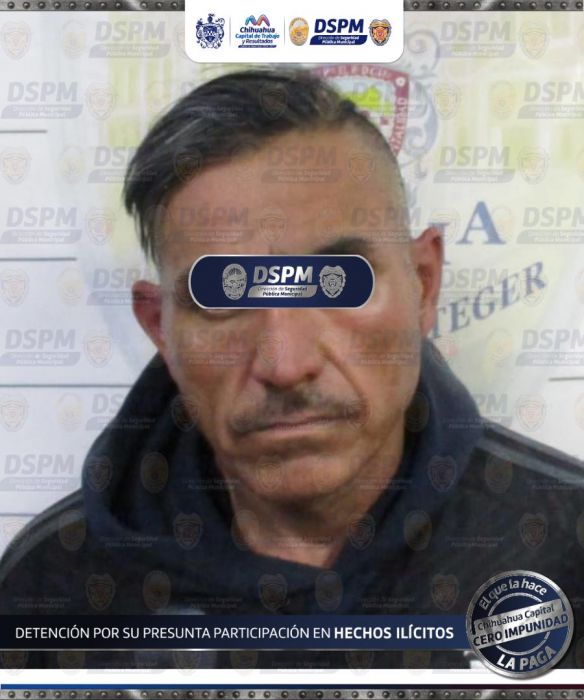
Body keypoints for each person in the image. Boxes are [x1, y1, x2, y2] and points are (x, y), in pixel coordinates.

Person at [1, 69, 583, 672]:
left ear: (424, 286)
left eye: (337, 283)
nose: (285, 365)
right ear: (160, 329)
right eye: (226, 297)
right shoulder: (50, 586)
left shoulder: (567, 547)